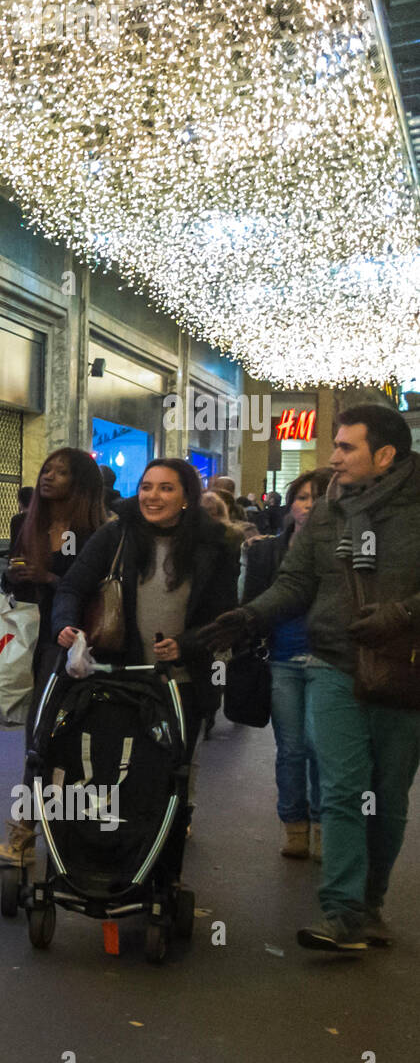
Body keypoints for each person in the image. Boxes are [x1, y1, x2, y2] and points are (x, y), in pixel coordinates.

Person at [201, 405, 420, 952]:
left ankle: (370, 905)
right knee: (344, 789)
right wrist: (248, 615)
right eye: (336, 446)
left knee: (387, 796)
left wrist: (405, 615)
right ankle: (342, 912)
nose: (334, 458)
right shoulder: (329, 511)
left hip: (404, 671)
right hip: (333, 664)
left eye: (347, 448)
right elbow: (296, 583)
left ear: (386, 455)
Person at [50, 459, 239, 868]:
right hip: (119, 677)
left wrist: (186, 645)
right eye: (147, 487)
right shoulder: (116, 534)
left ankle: (164, 858)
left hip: (180, 681)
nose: (153, 497)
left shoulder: (216, 544)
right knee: (117, 764)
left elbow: (226, 617)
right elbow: (72, 586)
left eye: (166, 489)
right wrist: (64, 625)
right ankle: (113, 853)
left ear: (187, 496)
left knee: (172, 768)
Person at [0, 449, 108, 864]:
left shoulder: (96, 531)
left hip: (70, 641)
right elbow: (13, 581)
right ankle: (27, 833)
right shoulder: (26, 522)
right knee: (37, 735)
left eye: (62, 472)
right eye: (47, 470)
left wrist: (49, 577)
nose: (49, 477)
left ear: (81, 483)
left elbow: (92, 591)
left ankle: (44, 830)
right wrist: (13, 575)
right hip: (28, 637)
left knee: (61, 736)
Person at [239, 468, 332, 861]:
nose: (307, 506)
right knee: (292, 748)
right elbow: (252, 601)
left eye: (318, 498)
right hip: (281, 658)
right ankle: (294, 824)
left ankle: (326, 827)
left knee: (321, 747)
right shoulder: (268, 549)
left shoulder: (345, 549)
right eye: (302, 497)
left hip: (330, 661)